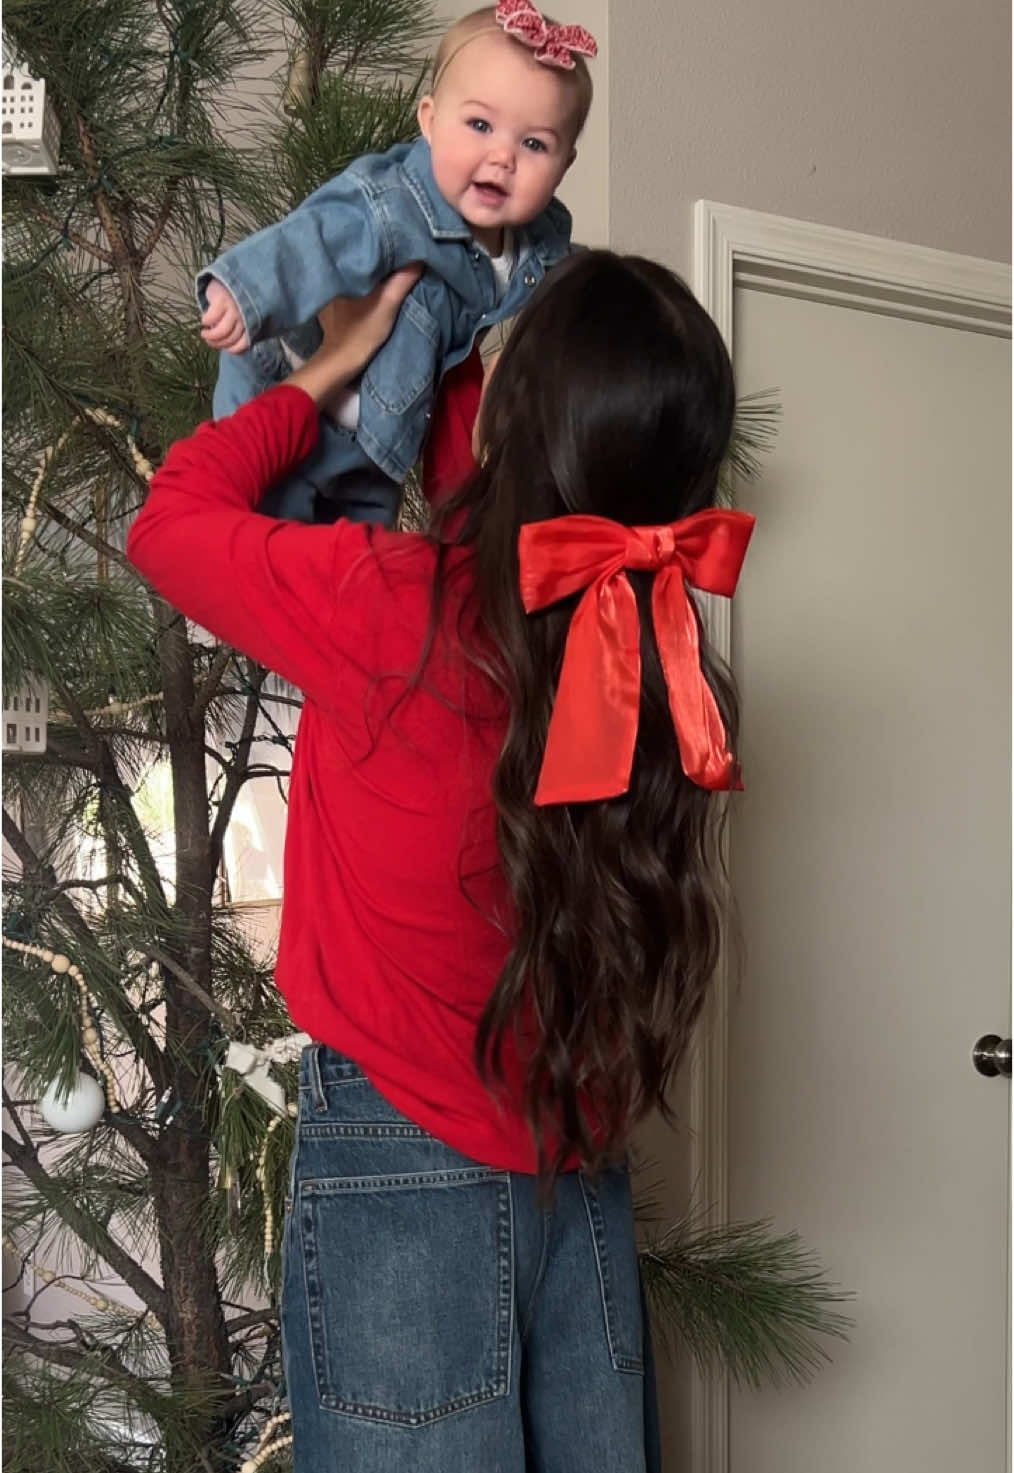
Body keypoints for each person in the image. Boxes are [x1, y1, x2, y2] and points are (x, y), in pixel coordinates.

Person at [128, 249, 754, 1472]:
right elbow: (519, 496)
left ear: (524, 428)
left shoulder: (391, 609)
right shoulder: (650, 663)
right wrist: (460, 334)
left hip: (397, 1160)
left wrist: (337, 362)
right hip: (577, 1170)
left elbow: (174, 520)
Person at [197, 0, 596, 524]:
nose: (503, 157)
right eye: (479, 124)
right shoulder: (397, 202)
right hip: (293, 385)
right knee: (271, 531)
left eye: (533, 143)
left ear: (564, 164)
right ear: (429, 121)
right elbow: (315, 235)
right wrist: (242, 292)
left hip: (378, 439)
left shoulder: (537, 244)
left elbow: (571, 280)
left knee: (361, 560)